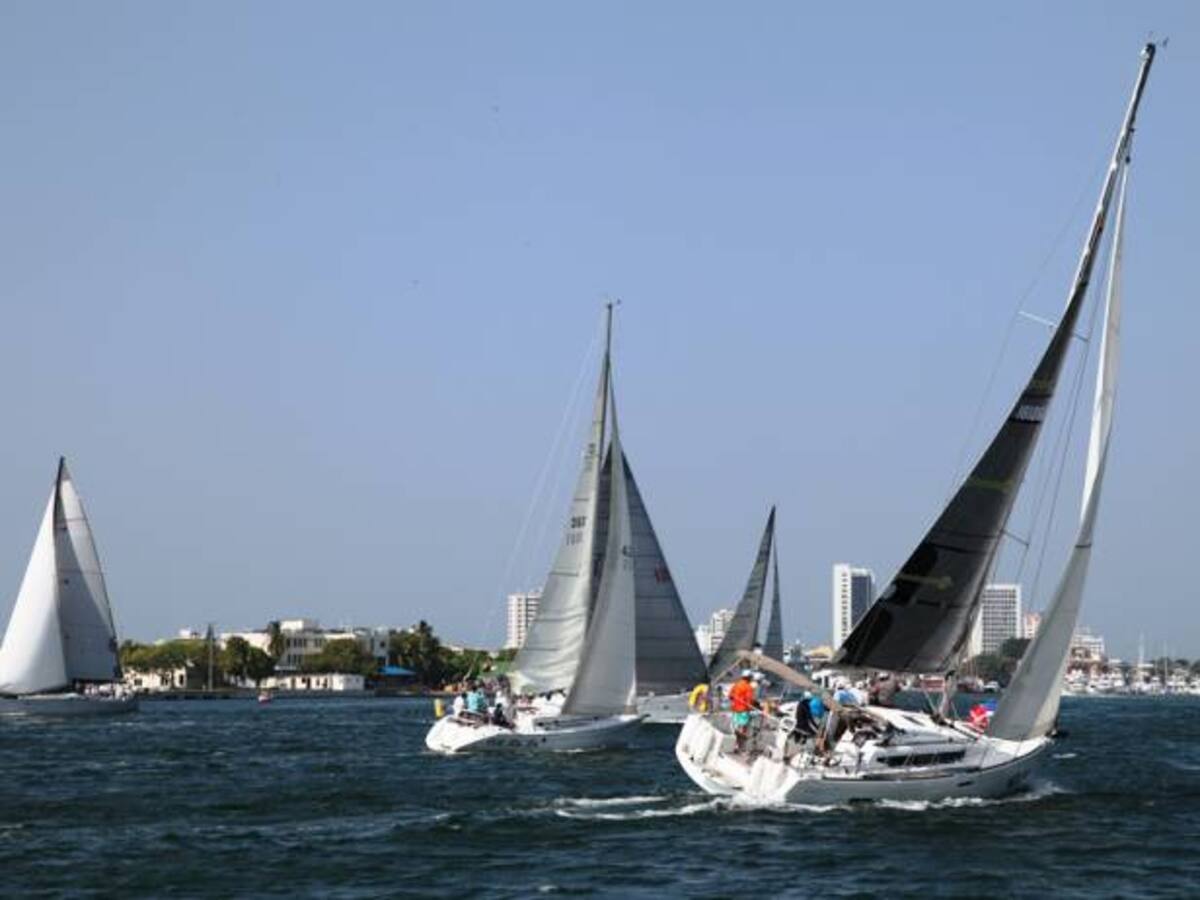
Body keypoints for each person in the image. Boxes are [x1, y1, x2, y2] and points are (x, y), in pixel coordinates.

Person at [728, 670, 759, 753]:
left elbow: (730, 696)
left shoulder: (736, 684)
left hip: (735, 709)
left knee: (736, 727)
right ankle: (739, 747)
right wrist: (753, 708)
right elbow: (749, 701)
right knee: (743, 729)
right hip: (743, 710)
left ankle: (734, 745)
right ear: (749, 678)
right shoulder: (748, 687)